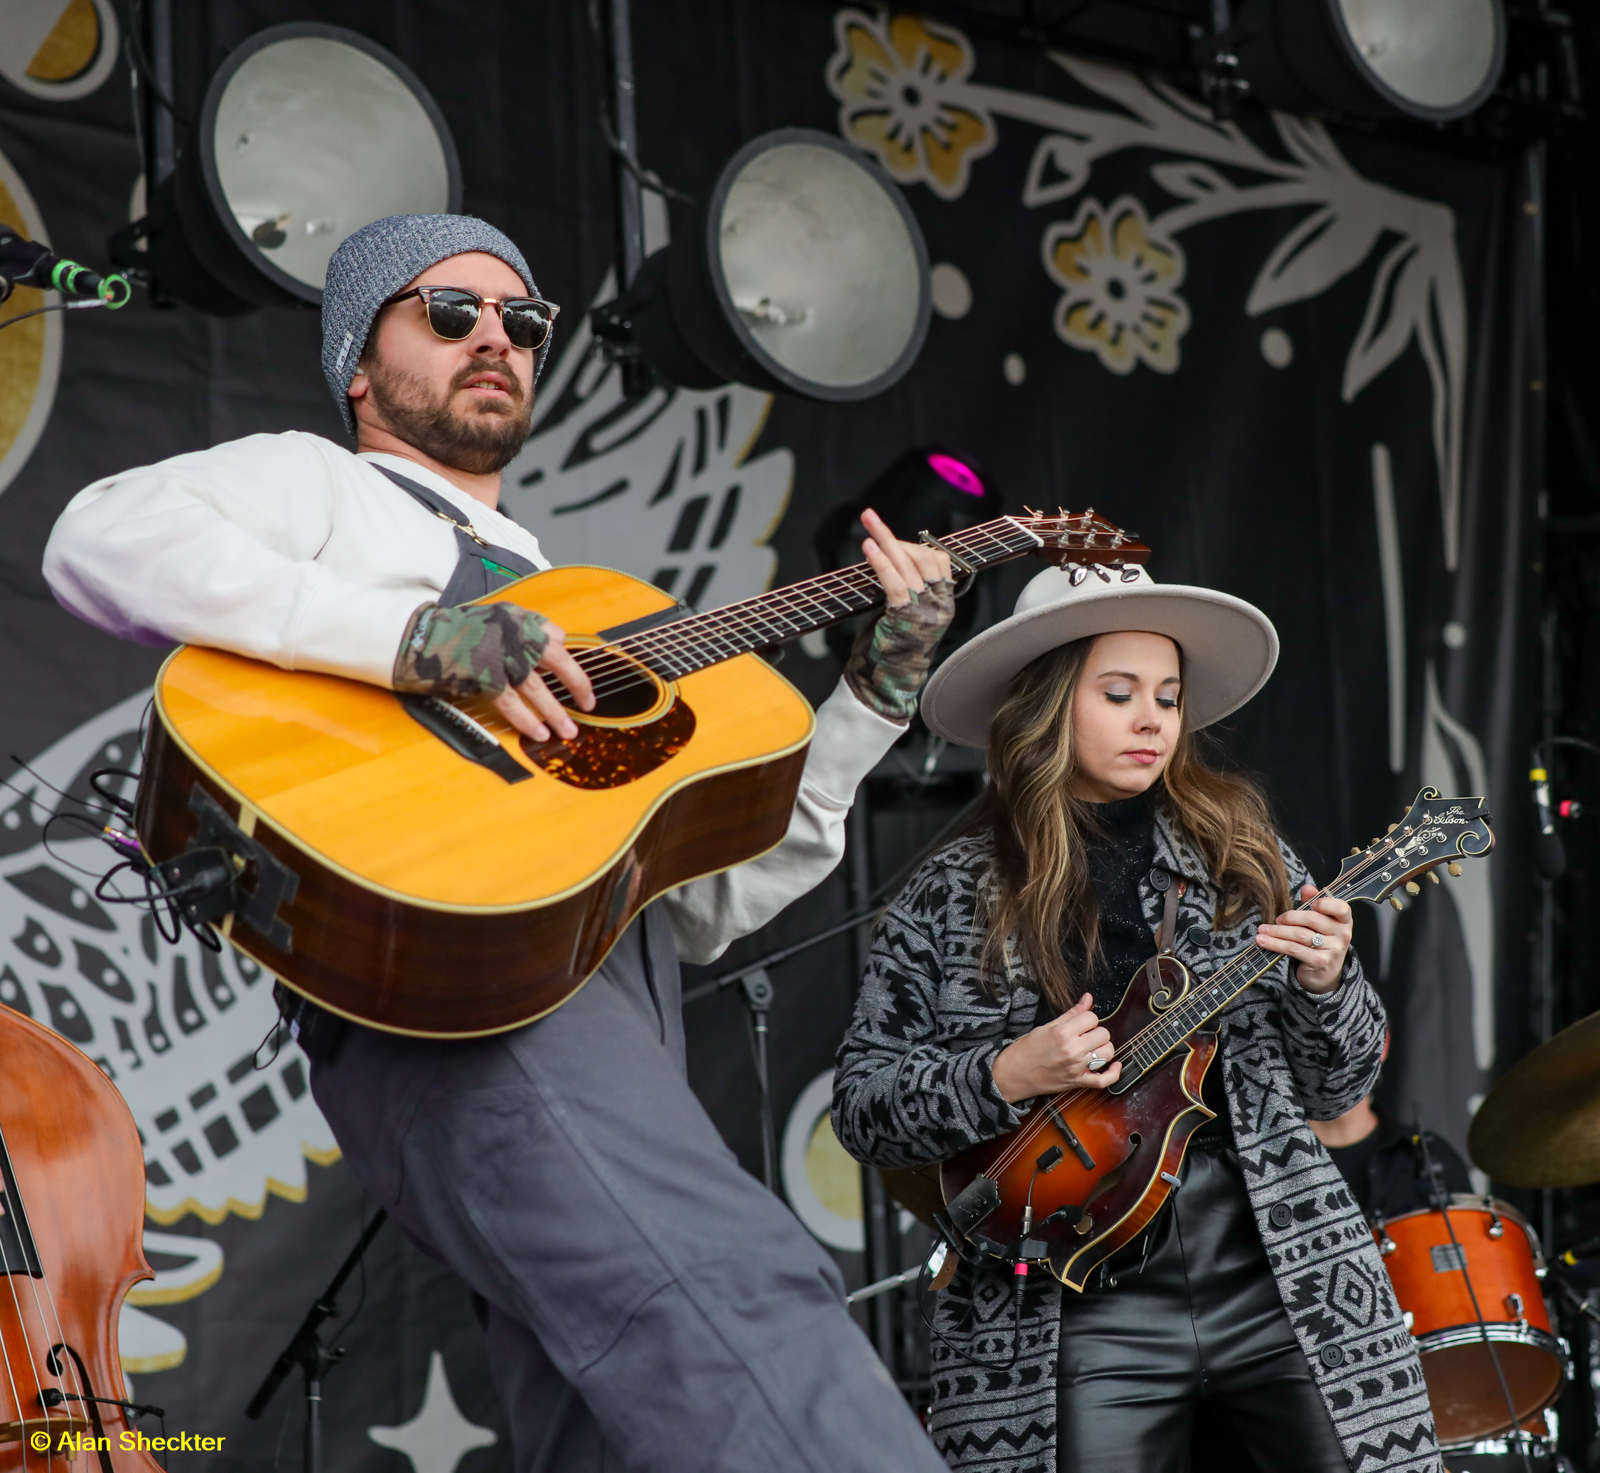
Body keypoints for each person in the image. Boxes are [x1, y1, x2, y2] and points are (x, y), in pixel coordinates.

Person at [43, 214, 958, 1473]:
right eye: (450, 311)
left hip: (604, 1005)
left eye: (523, 323)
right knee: (728, 1299)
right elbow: (99, 538)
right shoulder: (327, 491)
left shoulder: (573, 600)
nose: (496, 339)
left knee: (605, 1420)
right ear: (360, 363)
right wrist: (420, 643)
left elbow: (701, 908)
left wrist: (871, 698)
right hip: (468, 1017)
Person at [832, 563, 1442, 1473]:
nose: (1153, 717)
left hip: (1278, 1270)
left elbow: (1340, 1085)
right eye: (1118, 693)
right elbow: (863, 1106)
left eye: (1167, 695)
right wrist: (1005, 1074)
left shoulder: (1242, 853)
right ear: (1045, 704)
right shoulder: (950, 891)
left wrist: (1329, 981)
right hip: (1064, 1307)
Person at [1309, 1070, 1472, 1224]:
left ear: (1383, 1046)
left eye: (1353, 1041)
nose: (1337, 1060)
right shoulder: (1283, 1166)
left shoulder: (1436, 1155)